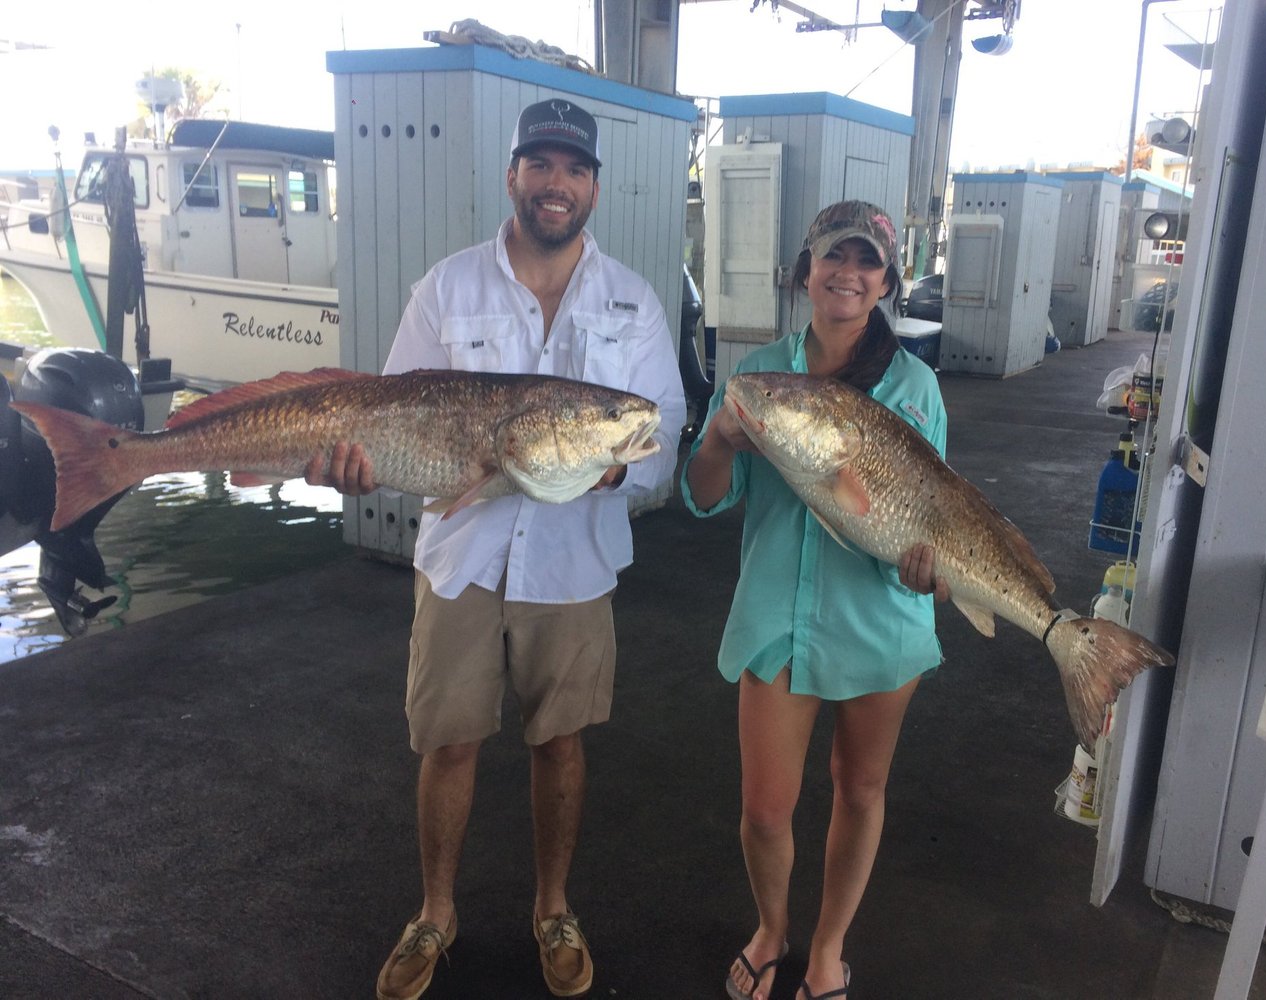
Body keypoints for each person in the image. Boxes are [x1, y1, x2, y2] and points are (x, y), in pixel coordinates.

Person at [309, 98, 685, 1000]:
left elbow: (661, 429)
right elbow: (390, 412)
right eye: (541, 164)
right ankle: (434, 911)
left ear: (594, 185)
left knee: (560, 741)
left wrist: (614, 473)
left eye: (574, 169)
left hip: (573, 562)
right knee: (448, 742)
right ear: (513, 174)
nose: (557, 184)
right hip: (462, 556)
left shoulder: (632, 299)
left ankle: (552, 906)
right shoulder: (447, 286)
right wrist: (356, 467)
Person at [682, 200, 950, 1000]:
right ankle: (772, 927)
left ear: (886, 281)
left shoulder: (914, 386)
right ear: (805, 270)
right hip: (775, 616)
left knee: (859, 788)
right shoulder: (758, 373)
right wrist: (721, 441)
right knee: (766, 808)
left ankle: (828, 946)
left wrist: (928, 560)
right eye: (834, 255)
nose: (848, 273)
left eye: (867, 261)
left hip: (881, 619)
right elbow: (702, 497)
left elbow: (935, 510)